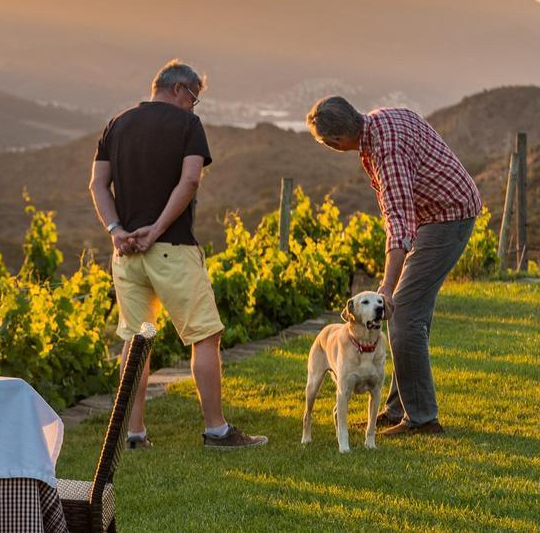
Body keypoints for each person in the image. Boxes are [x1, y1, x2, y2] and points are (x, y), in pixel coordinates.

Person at [89, 59, 267, 450]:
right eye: (194, 98)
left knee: (138, 340)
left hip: (127, 256)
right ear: (178, 90)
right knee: (205, 336)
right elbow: (189, 181)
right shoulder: (187, 126)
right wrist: (156, 229)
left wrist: (116, 230)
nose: (194, 106)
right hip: (171, 251)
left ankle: (134, 435)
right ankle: (216, 430)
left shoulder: (117, 123)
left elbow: (98, 185)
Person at [306, 96, 481, 436]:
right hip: (440, 212)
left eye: (328, 144)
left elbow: (399, 224)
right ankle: (400, 407)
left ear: (337, 141)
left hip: (448, 217)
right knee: (410, 316)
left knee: (402, 314)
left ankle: (422, 419)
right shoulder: (379, 121)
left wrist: (385, 287)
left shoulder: (385, 153)